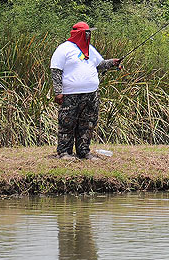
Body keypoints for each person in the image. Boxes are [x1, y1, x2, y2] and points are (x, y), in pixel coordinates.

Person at [50, 22, 121, 160]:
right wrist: (58, 92)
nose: (89, 35)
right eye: (86, 33)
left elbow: (100, 65)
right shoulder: (64, 49)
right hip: (70, 94)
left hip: (91, 93)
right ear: (79, 34)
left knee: (87, 123)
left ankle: (84, 151)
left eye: (89, 33)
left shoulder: (90, 49)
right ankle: (64, 152)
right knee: (67, 122)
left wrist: (112, 63)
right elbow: (56, 71)